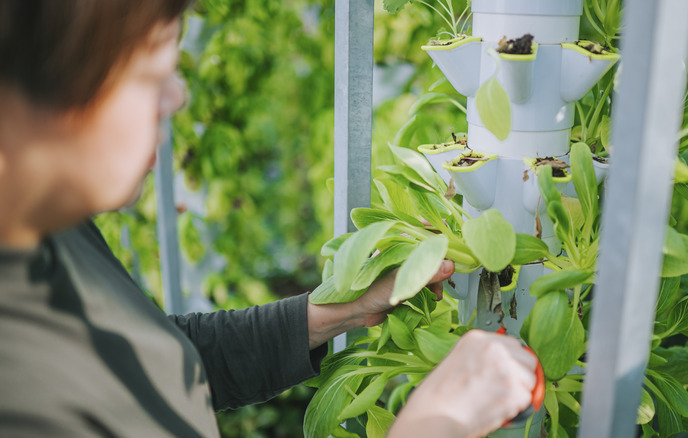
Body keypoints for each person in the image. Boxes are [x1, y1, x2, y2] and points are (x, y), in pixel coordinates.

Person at [0, 1, 539, 437]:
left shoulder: (48, 229)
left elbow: (154, 358)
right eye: (148, 71)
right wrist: (435, 422)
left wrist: (337, 311)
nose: (178, 94)